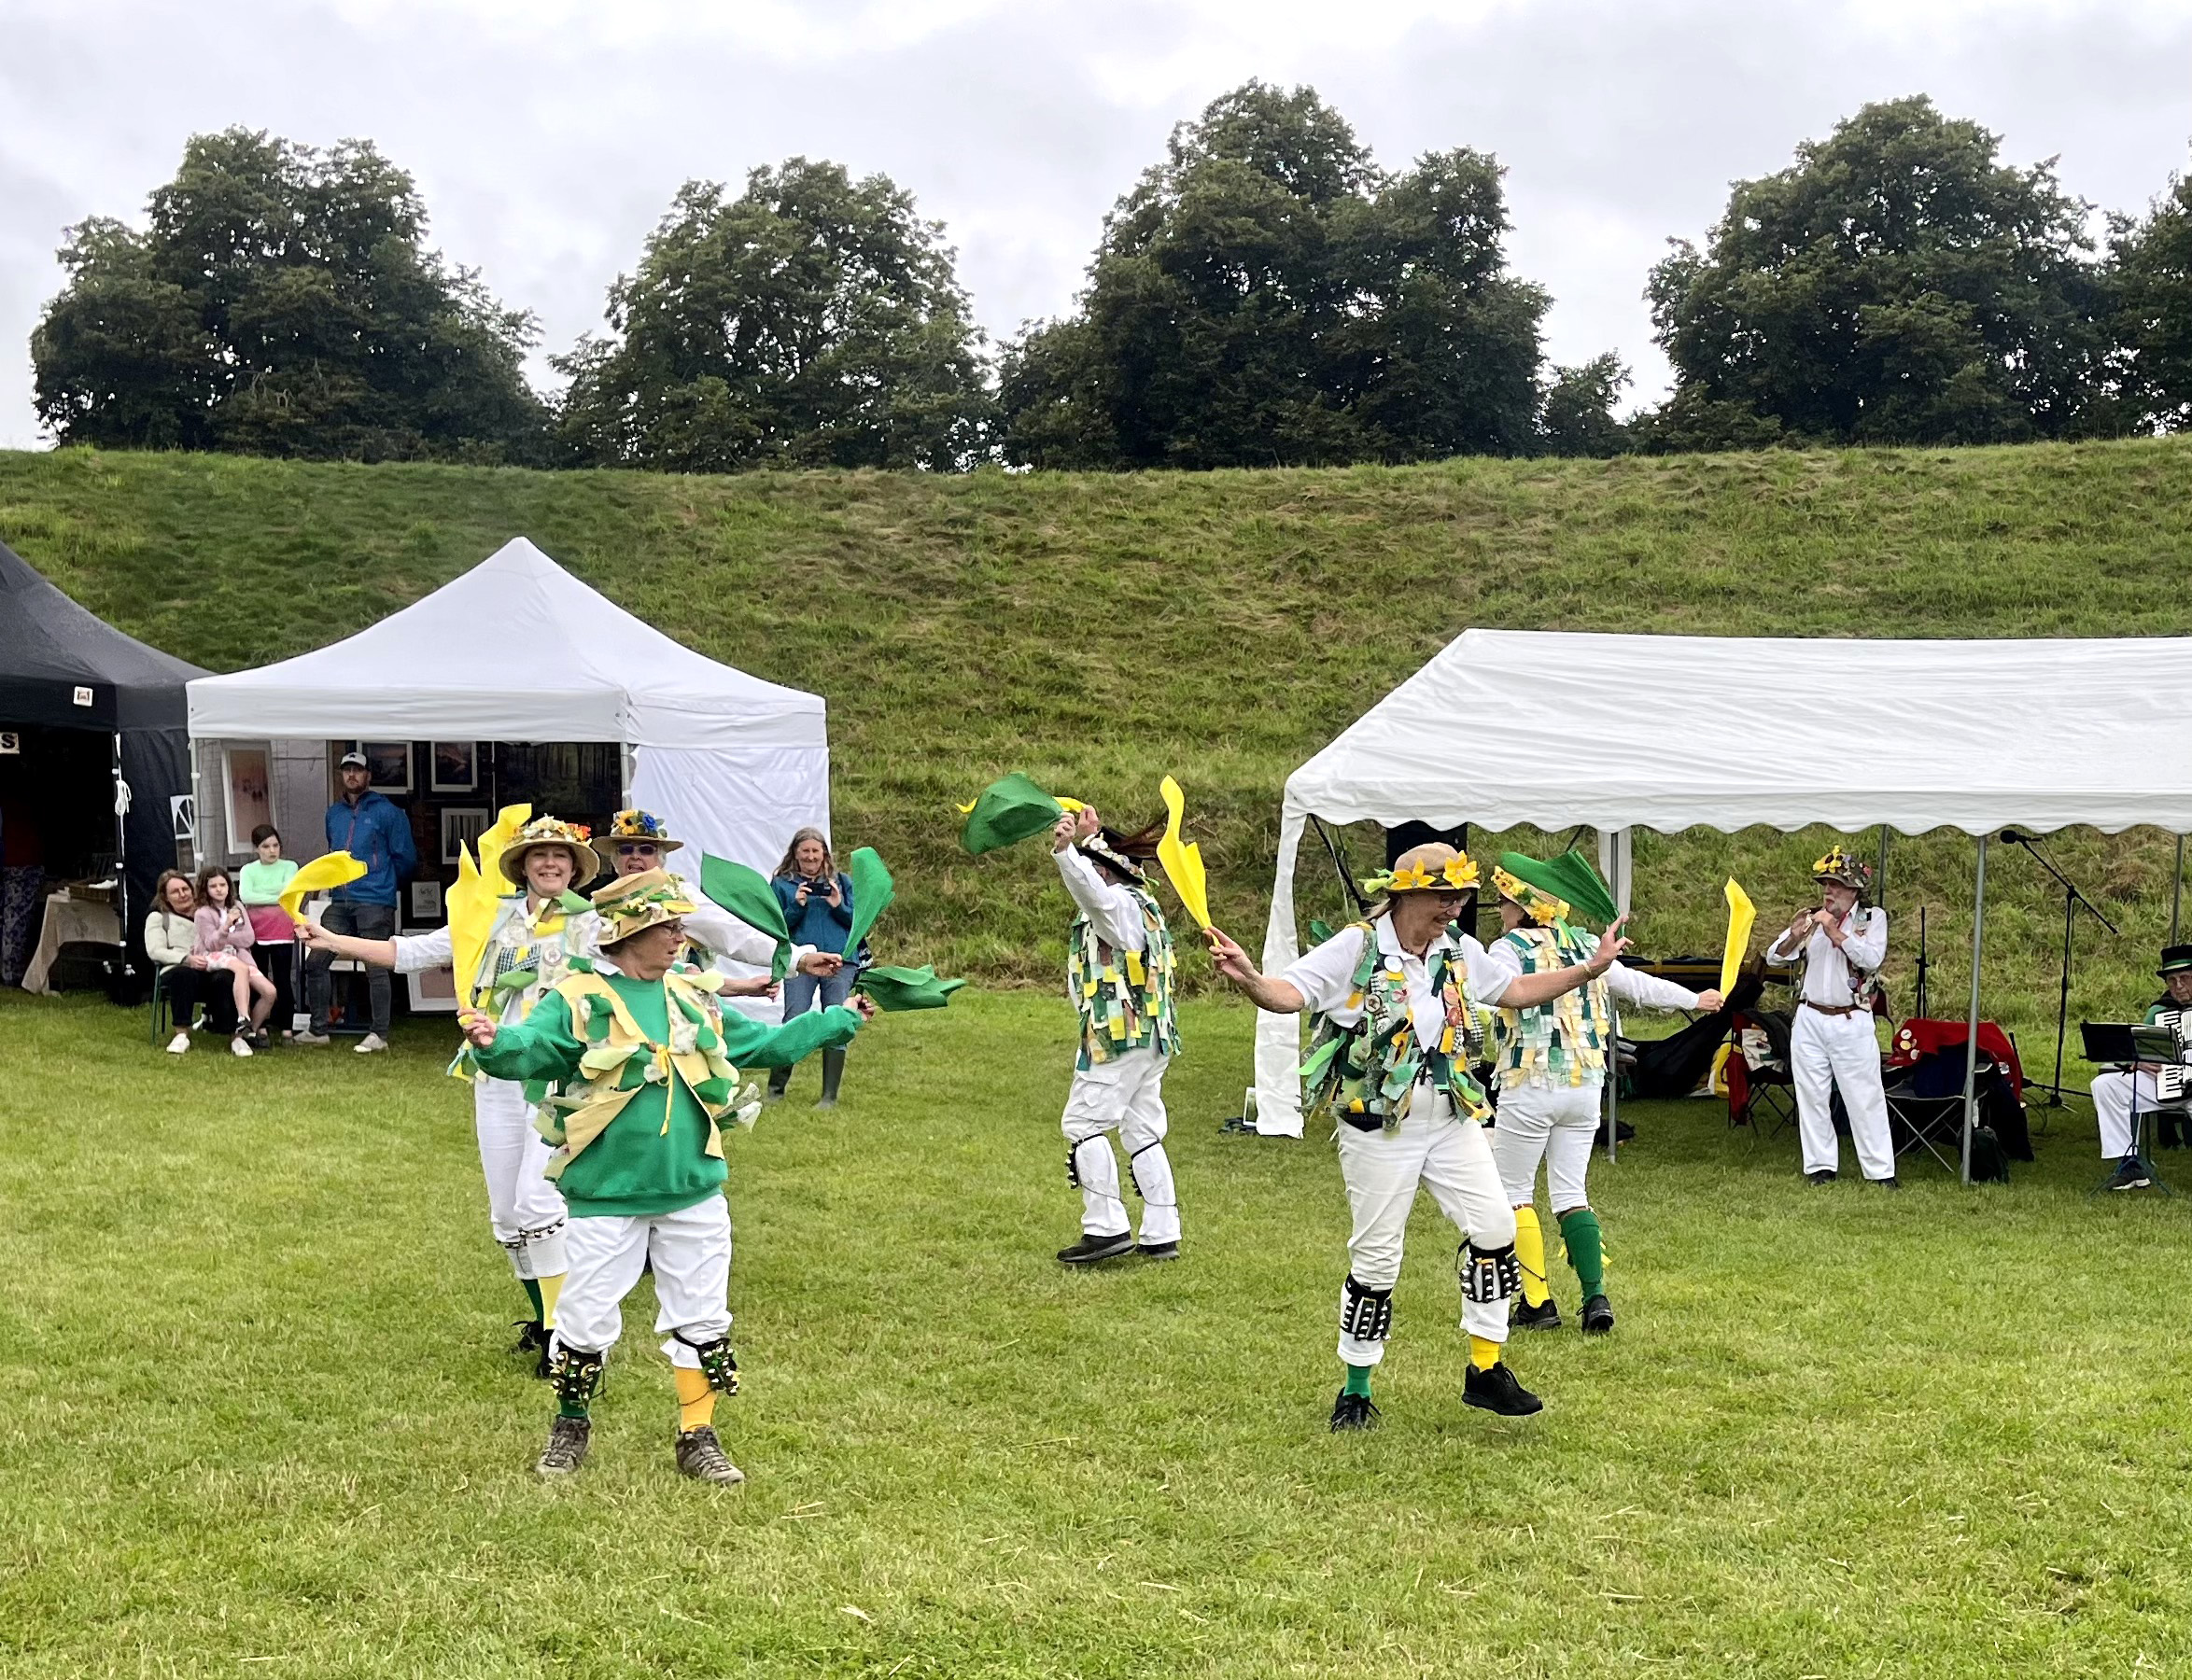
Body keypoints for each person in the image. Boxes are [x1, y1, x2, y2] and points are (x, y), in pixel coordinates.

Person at [462, 867, 876, 1485]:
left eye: (681, 924)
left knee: (703, 1313)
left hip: (693, 1186)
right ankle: (570, 1426)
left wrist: (841, 1019)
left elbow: (765, 1044)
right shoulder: (580, 998)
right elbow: (531, 1049)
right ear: (631, 931)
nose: (681, 936)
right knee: (583, 1316)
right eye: (669, 925)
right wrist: (495, 1042)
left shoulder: (691, 996)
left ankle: (697, 1436)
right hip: (606, 1193)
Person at [1206, 843, 1628, 1430]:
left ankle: (1486, 1370)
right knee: (1378, 1257)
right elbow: (1289, 994)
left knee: (1495, 1225)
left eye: (1459, 897)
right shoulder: (1357, 946)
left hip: (1450, 1117)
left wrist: (1589, 969)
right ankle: (1356, 1389)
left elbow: (1514, 990)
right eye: (1442, 896)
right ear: (1404, 894)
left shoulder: (1458, 949)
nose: (1454, 908)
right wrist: (1252, 979)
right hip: (1379, 1126)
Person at [304, 817, 639, 1369]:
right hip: (496, 1072)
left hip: (563, 1075)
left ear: (576, 867)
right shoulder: (488, 915)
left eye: (560, 857)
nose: (550, 864)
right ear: (522, 866)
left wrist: (739, 985)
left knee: (538, 1201)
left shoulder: (597, 925)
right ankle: (543, 1320)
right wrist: (332, 938)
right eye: (539, 856)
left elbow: (650, 971)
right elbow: (413, 953)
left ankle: (567, 1343)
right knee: (507, 1214)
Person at [1482, 853, 1721, 1337]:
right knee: (1572, 1194)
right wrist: (1695, 999)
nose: (1501, 910)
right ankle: (1595, 1298)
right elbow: (1639, 986)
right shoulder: (1590, 947)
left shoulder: (1505, 950)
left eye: (1505, 901)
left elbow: (1487, 994)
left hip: (1528, 1087)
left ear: (1523, 905)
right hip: (1584, 1088)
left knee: (1515, 1196)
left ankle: (1537, 1301)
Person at [1048, 805, 1184, 1266]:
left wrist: (1068, 852)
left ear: (1106, 871)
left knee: (1083, 1124)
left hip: (1120, 1036)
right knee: (1143, 1128)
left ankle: (1105, 1228)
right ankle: (1162, 1229)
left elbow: (1094, 896)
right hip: (1149, 1037)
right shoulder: (1143, 908)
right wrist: (1085, 841)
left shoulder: (1120, 907)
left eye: (1093, 867)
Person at [593, 807, 845, 988]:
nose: (635, 856)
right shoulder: (599, 902)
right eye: (626, 849)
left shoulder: (678, 894)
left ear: (660, 858)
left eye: (645, 849)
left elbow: (733, 934)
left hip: (669, 1000)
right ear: (615, 859)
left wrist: (798, 959)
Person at [1765, 846, 1895, 1187]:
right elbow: (1774, 957)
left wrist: (1835, 932)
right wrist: (1796, 933)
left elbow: (1871, 959)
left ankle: (1880, 1172)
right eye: (1825, 884)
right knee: (1811, 1094)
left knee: (1864, 1096)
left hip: (1851, 1018)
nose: (1828, 891)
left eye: (1835, 885)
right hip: (1810, 1017)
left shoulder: (1872, 919)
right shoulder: (1811, 917)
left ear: (1853, 890)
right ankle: (1820, 1167)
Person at [298, 750, 416, 1053]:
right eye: (347, 770)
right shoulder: (333, 813)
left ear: (368, 776)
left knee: (375, 965)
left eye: (358, 770)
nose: (352, 775)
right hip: (340, 898)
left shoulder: (388, 812)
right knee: (316, 961)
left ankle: (379, 1035)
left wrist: (382, 884)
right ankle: (318, 1029)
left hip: (374, 900)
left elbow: (405, 858)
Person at [2089, 945, 2192, 1192]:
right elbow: (2130, 1051)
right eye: (2172, 980)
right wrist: (2137, 1062)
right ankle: (2130, 1165)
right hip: (2164, 1083)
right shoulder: (2160, 1011)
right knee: (2105, 1085)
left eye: (2185, 978)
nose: (2178, 986)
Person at [766, 826, 856, 1106]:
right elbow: (775, 924)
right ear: (795, 853)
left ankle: (829, 1096)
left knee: (836, 1021)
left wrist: (838, 904)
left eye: (815, 850)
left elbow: (856, 921)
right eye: (805, 850)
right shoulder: (781, 884)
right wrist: (797, 905)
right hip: (800, 962)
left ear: (824, 853)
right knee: (793, 1019)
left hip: (839, 960)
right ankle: (775, 1090)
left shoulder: (842, 882)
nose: (810, 856)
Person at [146, 869, 238, 1051]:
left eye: (185, 889)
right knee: (184, 974)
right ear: (165, 897)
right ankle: (182, 1035)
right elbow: (155, 950)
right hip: (177, 968)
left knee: (226, 976)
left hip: (211, 965)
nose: (182, 895)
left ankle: (233, 1034)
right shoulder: (159, 918)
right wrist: (186, 958)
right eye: (175, 892)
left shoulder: (208, 913)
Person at [191, 864, 278, 1054]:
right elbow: (211, 944)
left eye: (223, 884)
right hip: (211, 956)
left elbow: (248, 938)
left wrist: (224, 937)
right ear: (205, 889)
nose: (219, 889)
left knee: (269, 991)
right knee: (241, 969)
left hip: (239, 955)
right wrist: (226, 927)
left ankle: (250, 1030)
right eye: (214, 886)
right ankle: (242, 1016)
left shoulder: (237, 906)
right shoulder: (202, 913)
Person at [236, 825, 302, 1040]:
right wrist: (277, 895)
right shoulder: (248, 870)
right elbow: (246, 896)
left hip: (282, 931)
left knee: (283, 978)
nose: (272, 851)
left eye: (275, 845)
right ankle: (260, 1024)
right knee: (259, 977)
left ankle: (286, 1026)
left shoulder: (290, 866)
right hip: (256, 932)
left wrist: (263, 895)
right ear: (256, 849)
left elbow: (289, 893)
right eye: (266, 846)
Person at [0, 797, 42, 987]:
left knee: (11, 918)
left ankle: (10, 970)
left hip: (14, 857)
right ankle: (11, 972)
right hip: (21, 859)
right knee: (15, 919)